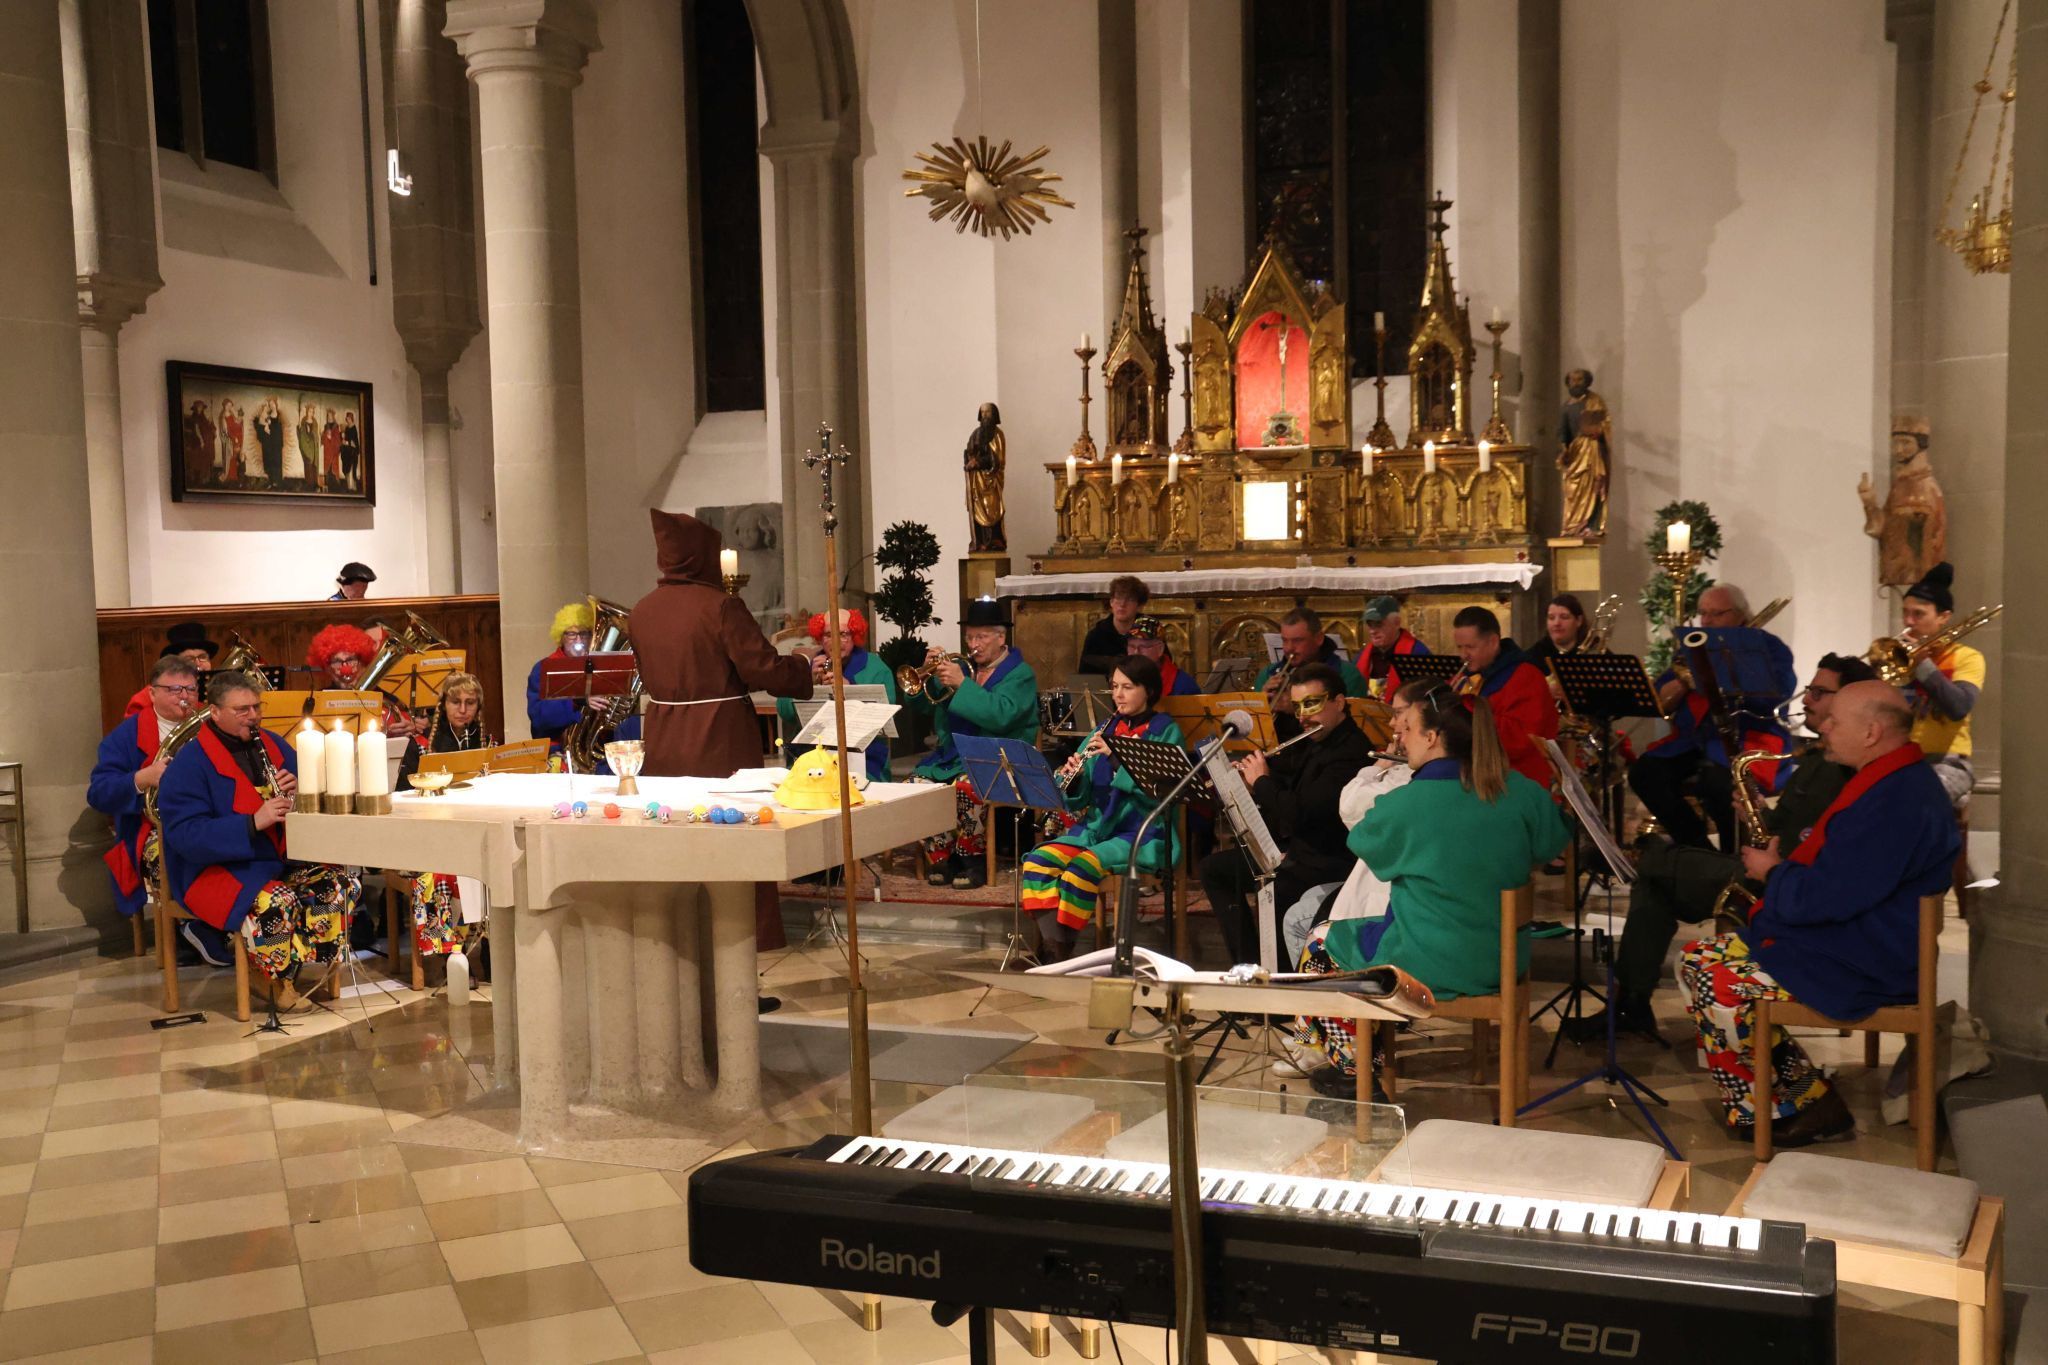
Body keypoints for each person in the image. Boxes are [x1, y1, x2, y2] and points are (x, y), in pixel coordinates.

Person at [1679, 680, 1959, 1146]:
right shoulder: (1890, 780)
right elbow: (1840, 878)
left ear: (1871, 732)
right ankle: (1801, 1094)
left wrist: (1774, 873)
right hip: (1853, 938)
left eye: (1833, 721)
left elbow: (1830, 896)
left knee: (1717, 981)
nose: (1822, 728)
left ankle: (1799, 1108)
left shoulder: (1897, 798)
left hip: (1865, 959)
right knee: (1695, 958)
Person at [1569, 654, 1874, 1044]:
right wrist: (1757, 814)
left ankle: (1636, 860)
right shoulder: (1817, 758)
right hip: (1768, 872)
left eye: (1819, 692)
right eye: (1810, 690)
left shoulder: (1843, 765)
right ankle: (1630, 1004)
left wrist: (1770, 857)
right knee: (1655, 885)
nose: (1808, 699)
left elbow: (1810, 843)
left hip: (1782, 885)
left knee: (1660, 864)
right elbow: (1789, 826)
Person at [1297, 681, 1569, 1093]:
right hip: (1501, 959)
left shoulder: (1406, 803)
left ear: (1432, 737)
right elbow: (1552, 843)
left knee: (1320, 940)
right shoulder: (1521, 791)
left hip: (1426, 964)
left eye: (1406, 728)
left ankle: (1352, 1066)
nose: (1400, 738)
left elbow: (1364, 843)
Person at [157, 671, 362, 983]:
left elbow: (314, 798)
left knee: (338, 885)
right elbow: (186, 836)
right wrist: (252, 822)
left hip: (276, 860)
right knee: (276, 901)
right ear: (215, 712)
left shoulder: (273, 745)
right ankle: (276, 984)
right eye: (242, 710)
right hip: (217, 871)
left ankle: (310, 970)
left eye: (256, 707)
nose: (253, 716)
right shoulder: (190, 762)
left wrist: (301, 791)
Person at [1198, 661, 1375, 966]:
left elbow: (1299, 812)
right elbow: (1290, 781)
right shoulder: (1316, 739)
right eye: (1297, 706)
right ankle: (1248, 964)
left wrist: (1261, 782)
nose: (1303, 716)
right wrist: (1250, 779)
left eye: (1312, 704)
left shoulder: (1351, 752)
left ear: (1338, 702)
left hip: (1328, 861)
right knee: (1214, 869)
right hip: (1298, 852)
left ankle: (1278, 976)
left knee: (1276, 889)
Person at [1022, 656, 1184, 960]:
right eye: (1114, 686)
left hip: (1143, 833)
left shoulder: (1165, 731)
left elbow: (1161, 795)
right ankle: (1055, 947)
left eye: (1127, 687)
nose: (1118, 694)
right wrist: (1074, 778)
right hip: (1097, 830)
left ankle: (1061, 951)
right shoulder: (1105, 728)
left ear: (1148, 690)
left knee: (1081, 868)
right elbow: (1079, 799)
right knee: (1038, 861)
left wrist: (1115, 758)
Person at [630, 508, 811, 779]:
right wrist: (804, 662)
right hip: (718, 739)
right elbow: (762, 668)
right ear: (701, 555)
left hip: (662, 740)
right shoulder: (721, 606)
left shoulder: (641, 611)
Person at [1629, 583, 1795, 849]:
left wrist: (1724, 678)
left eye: (1716, 613)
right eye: (1703, 613)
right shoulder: (1693, 647)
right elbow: (1661, 697)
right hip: (1696, 740)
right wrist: (1683, 682)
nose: (1706, 621)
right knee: (1644, 772)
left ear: (1740, 614)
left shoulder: (1768, 647)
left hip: (1749, 738)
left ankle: (1734, 855)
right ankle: (1696, 847)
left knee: (1719, 785)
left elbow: (1779, 694)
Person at [907, 596, 1039, 889]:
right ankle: (943, 856)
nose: (973, 644)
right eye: (969, 637)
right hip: (954, 756)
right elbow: (925, 706)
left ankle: (972, 859)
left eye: (981, 637)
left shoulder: (1020, 674)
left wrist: (962, 685)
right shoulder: (964, 668)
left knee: (968, 786)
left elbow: (1000, 716)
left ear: (1001, 638)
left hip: (1002, 758)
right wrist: (925, 673)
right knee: (914, 787)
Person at [90, 657, 201, 942]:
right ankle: (186, 929)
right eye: (174, 689)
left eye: (190, 689)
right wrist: (143, 778)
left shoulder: (209, 724)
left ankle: (227, 922)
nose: (185, 696)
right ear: (152, 693)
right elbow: (98, 793)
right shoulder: (125, 736)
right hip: (153, 828)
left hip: (206, 819)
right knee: (176, 853)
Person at [396, 674, 491, 958]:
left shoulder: (485, 742)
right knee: (440, 877)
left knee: (495, 869)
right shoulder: (421, 744)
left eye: (470, 703)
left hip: (471, 835)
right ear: (443, 705)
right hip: (429, 837)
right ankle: (451, 956)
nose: (462, 709)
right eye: (455, 702)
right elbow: (402, 795)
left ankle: (490, 949)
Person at [1897, 562, 1985, 807]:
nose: (1908, 622)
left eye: (1918, 614)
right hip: (1901, 758)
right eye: (1905, 613)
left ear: (1943, 617)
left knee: (1914, 799)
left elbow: (1958, 706)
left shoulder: (1968, 657)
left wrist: (1922, 664)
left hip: (1947, 762)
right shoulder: (1897, 659)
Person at [778, 609, 896, 784]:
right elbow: (785, 712)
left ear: (855, 636)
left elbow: (886, 715)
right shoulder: (810, 666)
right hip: (812, 755)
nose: (835, 641)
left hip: (862, 756)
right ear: (820, 638)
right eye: (828, 635)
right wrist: (806, 683)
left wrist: (848, 688)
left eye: (843, 634)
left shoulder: (875, 667)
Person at [1448, 606, 1558, 789]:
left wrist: (1464, 713)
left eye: (1470, 647)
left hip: (1518, 780)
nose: (1463, 655)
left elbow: (1521, 739)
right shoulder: (1467, 676)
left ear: (1493, 642)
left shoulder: (1526, 676)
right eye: (1459, 647)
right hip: (1479, 774)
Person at [1257, 609, 1370, 737]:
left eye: (1297, 640)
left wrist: (1297, 708)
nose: (1289, 648)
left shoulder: (1347, 675)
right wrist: (1262, 704)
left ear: (1319, 638)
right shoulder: (1268, 674)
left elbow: (1352, 728)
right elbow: (1255, 732)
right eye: (1284, 640)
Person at [309, 622, 419, 736]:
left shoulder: (385, 698)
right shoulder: (317, 701)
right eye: (336, 661)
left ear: (363, 662)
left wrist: (407, 729)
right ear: (327, 667)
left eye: (351, 660)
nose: (345, 668)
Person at [527, 603, 598, 748]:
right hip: (557, 749)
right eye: (571, 634)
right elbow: (539, 719)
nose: (578, 640)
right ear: (561, 637)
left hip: (595, 745)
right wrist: (576, 700)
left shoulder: (599, 666)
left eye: (584, 634)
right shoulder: (543, 668)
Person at [1357, 596, 1429, 699]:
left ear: (1397, 623)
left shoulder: (1417, 653)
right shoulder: (1362, 655)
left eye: (1378, 624)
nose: (1372, 631)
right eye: (1370, 624)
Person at [1080, 575, 1149, 675]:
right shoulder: (1096, 635)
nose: (1122, 604)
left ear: (1139, 606)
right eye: (1118, 598)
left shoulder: (1150, 632)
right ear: (1111, 602)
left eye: (1130, 599)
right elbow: (1084, 677)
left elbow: (1164, 671)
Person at [964, 400, 1006, 553]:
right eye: (982, 412)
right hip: (977, 481)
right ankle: (980, 541)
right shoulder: (976, 434)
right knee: (977, 510)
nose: (985, 415)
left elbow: (998, 459)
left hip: (991, 480)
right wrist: (969, 460)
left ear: (994, 414)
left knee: (992, 508)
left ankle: (994, 540)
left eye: (987, 412)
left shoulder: (998, 435)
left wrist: (979, 462)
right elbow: (968, 452)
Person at [1126, 615, 1200, 696]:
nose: (1136, 652)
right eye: (1131, 646)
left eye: (1143, 646)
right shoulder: (1121, 678)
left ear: (1160, 649)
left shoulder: (1184, 685)